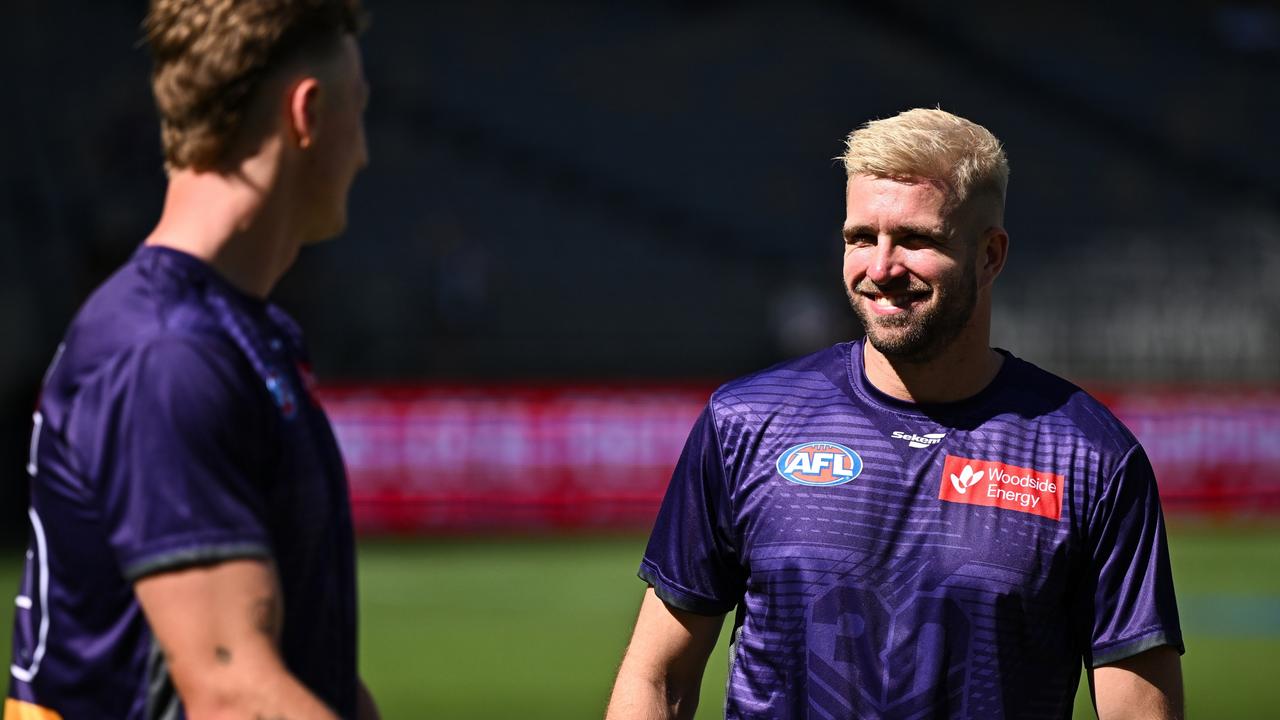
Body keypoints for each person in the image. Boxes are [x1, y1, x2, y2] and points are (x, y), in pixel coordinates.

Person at [606, 108, 1184, 719]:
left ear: (990, 255)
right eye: (860, 238)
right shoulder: (745, 423)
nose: (879, 268)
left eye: (916, 239)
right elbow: (657, 678)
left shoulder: (1090, 457)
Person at [6, 1, 379, 718]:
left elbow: (310, 670)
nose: (363, 152)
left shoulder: (250, 336)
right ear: (307, 114)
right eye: (359, 112)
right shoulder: (165, 352)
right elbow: (233, 692)